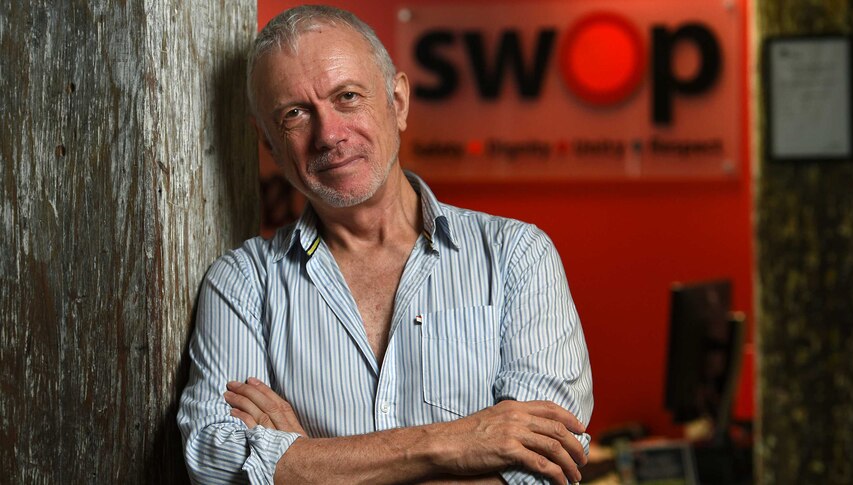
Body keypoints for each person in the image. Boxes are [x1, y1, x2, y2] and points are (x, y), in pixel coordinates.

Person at [177, 5, 593, 484]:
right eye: (294, 114)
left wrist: (304, 462)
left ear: (397, 102)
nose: (329, 134)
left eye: (347, 96)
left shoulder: (518, 256)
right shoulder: (242, 283)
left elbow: (544, 469)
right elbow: (215, 462)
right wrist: (456, 441)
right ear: (269, 142)